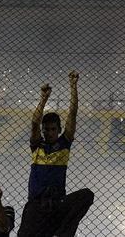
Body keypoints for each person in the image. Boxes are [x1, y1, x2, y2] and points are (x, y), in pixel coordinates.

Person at [17, 71, 94, 237]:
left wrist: (73, 86)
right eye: (46, 130)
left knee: (86, 195)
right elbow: (34, 122)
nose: (49, 132)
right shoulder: (37, 146)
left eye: (53, 129)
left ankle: (62, 234)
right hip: (36, 205)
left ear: (59, 130)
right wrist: (43, 99)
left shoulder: (64, 144)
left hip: (57, 204)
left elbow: (72, 113)